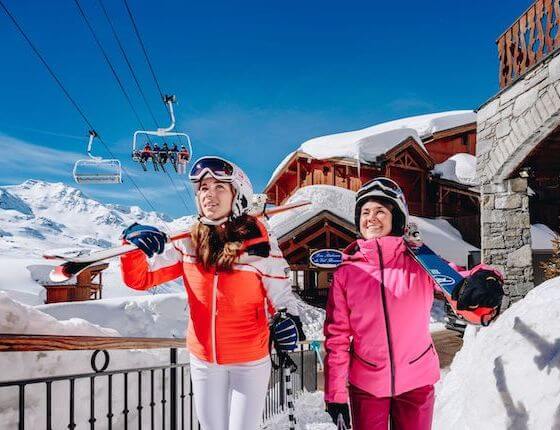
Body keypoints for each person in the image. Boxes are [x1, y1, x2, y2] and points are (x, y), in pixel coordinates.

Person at [119, 156, 306, 430]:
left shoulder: (260, 246)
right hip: (204, 360)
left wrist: (289, 321)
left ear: (236, 194)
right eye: (204, 188)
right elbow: (141, 279)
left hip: (249, 360)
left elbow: (282, 297)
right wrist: (133, 248)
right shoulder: (187, 245)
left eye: (219, 186)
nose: (210, 194)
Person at [323, 177, 504, 430]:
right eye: (365, 212)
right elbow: (337, 338)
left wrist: (486, 280)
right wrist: (335, 395)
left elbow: (458, 285)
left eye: (380, 211)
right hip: (367, 385)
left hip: (416, 383)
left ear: (396, 217)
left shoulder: (421, 262)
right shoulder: (347, 273)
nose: (371, 218)